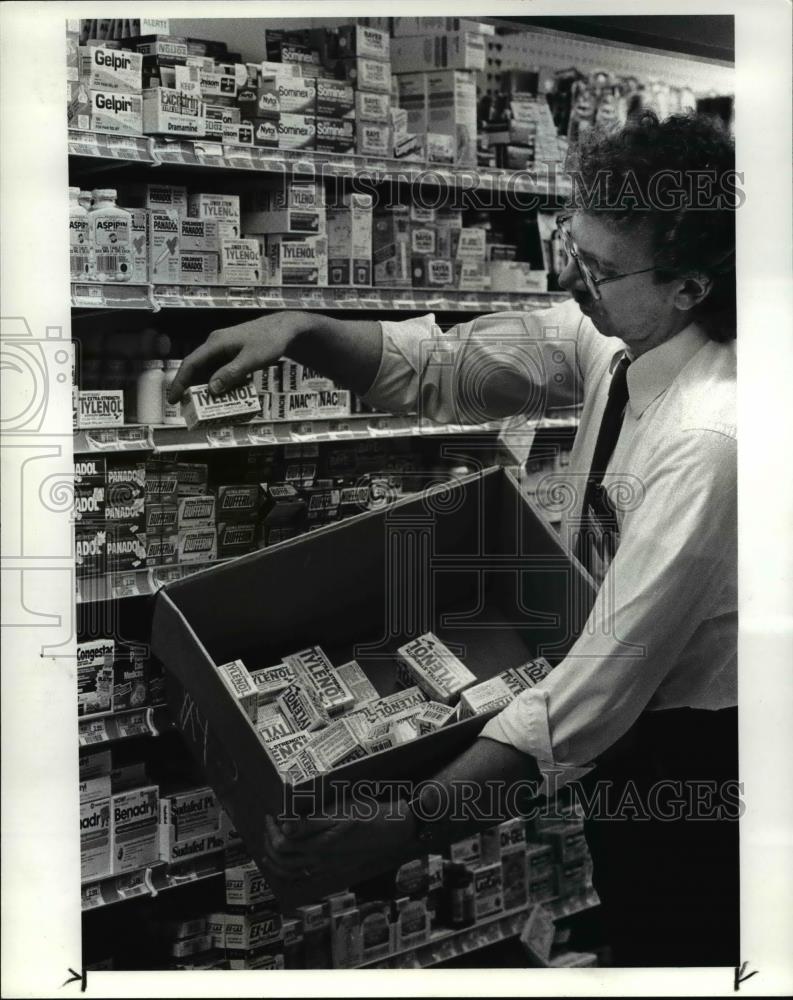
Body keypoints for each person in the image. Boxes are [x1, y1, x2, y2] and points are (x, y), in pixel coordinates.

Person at [167, 112, 739, 967]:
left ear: (688, 288)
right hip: (620, 732)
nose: (572, 281)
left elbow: (601, 681)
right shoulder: (618, 332)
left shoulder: (710, 438)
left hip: (700, 760)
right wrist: (304, 329)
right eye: (569, 248)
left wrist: (395, 829)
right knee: (645, 931)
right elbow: (444, 367)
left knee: (690, 943)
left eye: (599, 270)